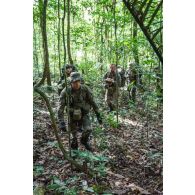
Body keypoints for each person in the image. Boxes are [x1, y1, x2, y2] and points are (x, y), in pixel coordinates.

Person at [58, 72, 102, 151]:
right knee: (73, 136)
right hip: (72, 115)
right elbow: (60, 108)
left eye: (78, 81)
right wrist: (61, 122)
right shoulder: (65, 92)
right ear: (71, 82)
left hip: (84, 113)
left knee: (88, 129)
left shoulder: (85, 89)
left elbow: (93, 102)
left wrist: (98, 115)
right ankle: (75, 150)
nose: (77, 83)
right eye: (75, 82)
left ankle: (84, 141)